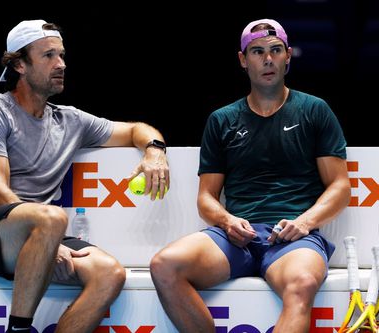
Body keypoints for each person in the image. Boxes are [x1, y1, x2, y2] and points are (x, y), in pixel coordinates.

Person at [0, 19, 169, 333]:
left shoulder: (71, 121)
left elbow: (136, 130)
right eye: (48, 56)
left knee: (109, 272)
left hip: (40, 233)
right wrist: (48, 239)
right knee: (51, 218)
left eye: (62, 55)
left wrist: (154, 150)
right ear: (19, 65)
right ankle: (19, 329)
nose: (61, 64)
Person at [150, 18, 350, 333]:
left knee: (303, 282)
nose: (267, 59)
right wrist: (228, 221)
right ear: (243, 60)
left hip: (292, 238)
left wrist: (304, 223)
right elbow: (206, 197)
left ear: (288, 56)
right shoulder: (222, 120)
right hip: (235, 238)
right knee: (164, 265)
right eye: (257, 52)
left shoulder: (314, 110)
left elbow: (340, 186)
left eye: (275, 50)